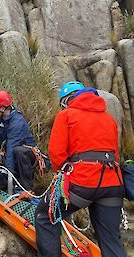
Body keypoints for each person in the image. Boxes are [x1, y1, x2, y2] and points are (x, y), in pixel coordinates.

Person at [35, 81, 126, 257]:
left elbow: (57, 153)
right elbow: (115, 153)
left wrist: (62, 172)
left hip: (83, 182)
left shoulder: (66, 115)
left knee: (46, 216)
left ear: (67, 100)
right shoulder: (109, 119)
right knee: (110, 237)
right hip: (113, 183)